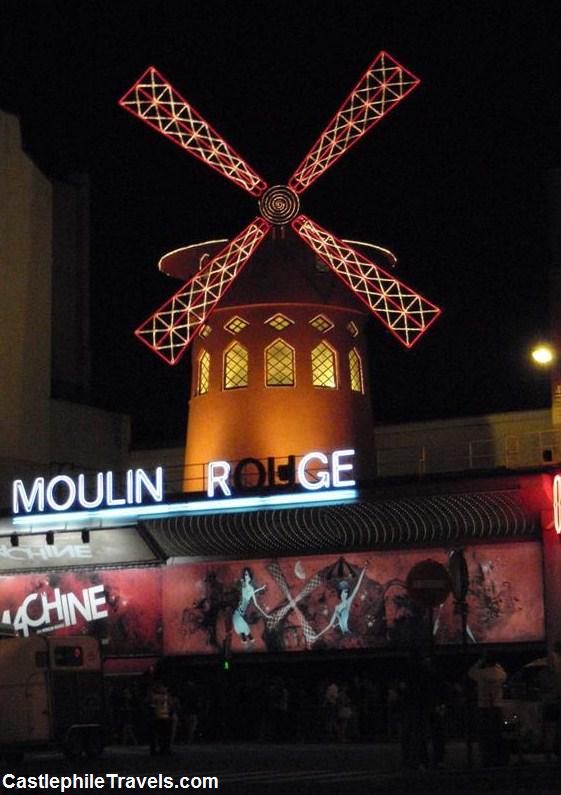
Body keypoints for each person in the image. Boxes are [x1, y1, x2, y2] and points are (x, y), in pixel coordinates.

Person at [468, 653, 507, 766]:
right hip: (497, 706)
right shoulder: (500, 674)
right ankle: (497, 757)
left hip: (484, 707)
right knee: (497, 733)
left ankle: (486, 757)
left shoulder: (481, 674)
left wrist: (480, 661)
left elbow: (470, 672)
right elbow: (504, 672)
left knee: (484, 734)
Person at [313, 563, 368, 640]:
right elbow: (356, 587)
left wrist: (318, 635)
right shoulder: (346, 601)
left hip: (333, 583)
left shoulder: (339, 609)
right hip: (340, 582)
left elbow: (330, 625)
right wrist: (364, 570)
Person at [233, 567, 268, 643]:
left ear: (250, 576)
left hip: (239, 614)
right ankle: (246, 637)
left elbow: (256, 603)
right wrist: (261, 588)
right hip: (238, 613)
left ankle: (246, 638)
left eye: (248, 575)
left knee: (243, 627)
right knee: (242, 626)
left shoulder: (251, 589)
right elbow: (247, 588)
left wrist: (265, 615)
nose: (246, 576)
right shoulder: (244, 585)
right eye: (245, 574)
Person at [147, 680, 172, 755]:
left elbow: (169, 704)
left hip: (164, 717)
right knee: (159, 735)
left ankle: (164, 749)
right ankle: (159, 750)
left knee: (164, 735)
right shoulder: (156, 695)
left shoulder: (164, 695)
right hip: (158, 717)